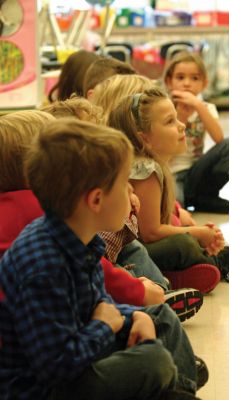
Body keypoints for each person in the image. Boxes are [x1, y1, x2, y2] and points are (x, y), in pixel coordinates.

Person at [0, 118, 208, 400]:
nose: (131, 193)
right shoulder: (42, 266)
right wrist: (105, 326)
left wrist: (132, 316)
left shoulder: (83, 241)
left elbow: (99, 306)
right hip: (46, 388)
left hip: (81, 354)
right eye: (125, 184)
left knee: (159, 318)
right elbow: (57, 367)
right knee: (153, 363)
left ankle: (177, 389)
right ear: (96, 200)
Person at [40, 94, 204, 320]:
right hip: (105, 267)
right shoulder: (141, 169)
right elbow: (145, 233)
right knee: (170, 246)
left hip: (114, 252)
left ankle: (161, 291)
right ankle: (157, 295)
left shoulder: (94, 179)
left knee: (135, 249)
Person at [108, 87, 229, 282]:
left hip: (146, 251)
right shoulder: (146, 170)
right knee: (182, 244)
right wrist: (197, 234)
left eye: (177, 118)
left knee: (186, 238)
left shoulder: (154, 166)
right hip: (134, 256)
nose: (181, 126)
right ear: (144, 138)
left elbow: (161, 219)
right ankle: (207, 266)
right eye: (170, 121)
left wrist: (201, 234)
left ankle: (200, 264)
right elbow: (151, 233)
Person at [163, 50, 229, 213]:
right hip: (173, 173)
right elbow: (167, 147)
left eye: (194, 78)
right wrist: (181, 116)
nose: (187, 83)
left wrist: (199, 106)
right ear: (169, 82)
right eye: (180, 77)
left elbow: (219, 139)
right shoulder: (165, 108)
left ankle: (207, 195)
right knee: (177, 207)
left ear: (204, 84)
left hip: (197, 171)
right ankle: (199, 200)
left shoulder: (207, 108)